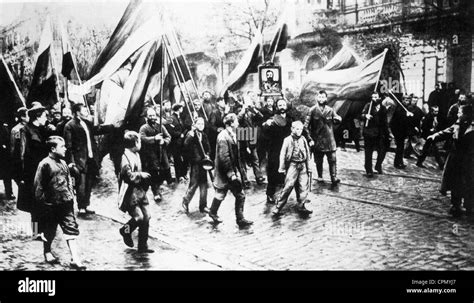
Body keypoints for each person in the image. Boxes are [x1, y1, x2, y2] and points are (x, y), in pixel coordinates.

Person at [33, 136, 86, 270]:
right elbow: (38, 187)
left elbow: (69, 181)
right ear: (53, 148)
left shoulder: (63, 163)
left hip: (65, 203)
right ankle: (47, 251)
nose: (65, 149)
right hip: (51, 205)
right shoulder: (44, 164)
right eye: (62, 146)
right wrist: (43, 205)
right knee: (50, 231)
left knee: (71, 229)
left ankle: (75, 259)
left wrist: (71, 195)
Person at [63, 103, 114, 215]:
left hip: (91, 158)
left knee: (89, 182)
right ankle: (81, 206)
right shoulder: (69, 126)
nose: (86, 112)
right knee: (81, 183)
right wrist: (71, 162)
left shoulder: (87, 123)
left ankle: (86, 204)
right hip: (79, 159)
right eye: (84, 111)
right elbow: (68, 146)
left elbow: (98, 129)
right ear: (77, 113)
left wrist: (112, 126)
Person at [209, 113, 253, 228]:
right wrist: (231, 174)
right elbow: (224, 157)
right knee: (220, 194)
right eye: (236, 121)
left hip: (231, 171)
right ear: (231, 123)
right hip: (225, 173)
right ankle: (213, 212)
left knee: (240, 195)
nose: (238, 123)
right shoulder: (223, 137)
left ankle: (240, 219)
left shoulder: (233, 134)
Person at [428, 105, 474, 217]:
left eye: (460, 112)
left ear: (466, 114)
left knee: (470, 183)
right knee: (455, 182)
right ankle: (455, 205)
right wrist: (434, 136)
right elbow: (446, 132)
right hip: (456, 159)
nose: (458, 114)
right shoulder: (457, 125)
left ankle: (470, 206)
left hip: (470, 160)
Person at [118, 131, 154, 253]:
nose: (140, 144)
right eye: (138, 141)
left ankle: (142, 246)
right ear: (134, 143)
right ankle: (125, 230)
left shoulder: (136, 154)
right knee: (138, 217)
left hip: (140, 191)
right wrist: (140, 175)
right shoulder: (125, 157)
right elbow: (127, 176)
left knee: (147, 217)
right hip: (130, 192)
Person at [17, 103, 50, 236]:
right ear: (37, 116)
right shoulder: (26, 130)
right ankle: (37, 232)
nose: (46, 118)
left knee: (44, 201)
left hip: (45, 171)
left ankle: (45, 228)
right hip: (32, 173)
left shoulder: (44, 130)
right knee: (34, 204)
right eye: (44, 116)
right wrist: (23, 176)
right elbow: (22, 154)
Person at [273, 121, 313, 216]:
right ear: (292, 129)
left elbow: (307, 154)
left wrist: (309, 167)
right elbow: (282, 154)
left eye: (301, 129)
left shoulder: (303, 139)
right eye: (297, 129)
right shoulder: (287, 140)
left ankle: (301, 205)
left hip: (302, 166)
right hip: (293, 166)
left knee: (303, 186)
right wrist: (281, 168)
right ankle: (278, 207)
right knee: (288, 186)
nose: (299, 131)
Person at [306, 90, 342, 187]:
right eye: (320, 97)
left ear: (326, 98)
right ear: (316, 98)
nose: (321, 99)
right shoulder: (312, 110)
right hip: (317, 140)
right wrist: (310, 139)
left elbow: (337, 118)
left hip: (329, 140)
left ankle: (333, 177)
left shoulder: (330, 110)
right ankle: (320, 175)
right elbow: (306, 127)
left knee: (333, 159)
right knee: (318, 160)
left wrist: (338, 119)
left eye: (323, 97)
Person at [262, 98, 293, 204]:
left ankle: (283, 195)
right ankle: (270, 194)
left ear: (286, 106)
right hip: (275, 151)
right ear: (277, 107)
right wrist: (266, 125)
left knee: (286, 173)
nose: (282, 107)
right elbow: (265, 133)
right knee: (273, 173)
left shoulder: (290, 119)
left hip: (287, 150)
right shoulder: (272, 119)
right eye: (280, 105)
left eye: (284, 105)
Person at [139, 107, 171, 202]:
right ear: (147, 117)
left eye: (153, 115)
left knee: (164, 169)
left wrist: (164, 142)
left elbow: (168, 136)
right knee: (154, 173)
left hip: (161, 152)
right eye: (150, 116)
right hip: (150, 154)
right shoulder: (144, 128)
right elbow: (142, 138)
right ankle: (156, 192)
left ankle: (159, 185)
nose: (152, 117)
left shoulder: (160, 126)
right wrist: (154, 138)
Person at [182, 117, 211, 213]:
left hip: (203, 162)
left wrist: (207, 154)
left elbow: (208, 147)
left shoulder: (204, 135)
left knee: (203, 184)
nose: (201, 126)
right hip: (195, 163)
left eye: (202, 124)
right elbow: (185, 145)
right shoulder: (191, 134)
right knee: (194, 184)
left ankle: (203, 205)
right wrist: (191, 134)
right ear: (194, 125)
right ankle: (185, 201)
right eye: (199, 124)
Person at [237, 94, 265, 186]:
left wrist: (254, 109)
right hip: (242, 137)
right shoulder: (238, 109)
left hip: (251, 137)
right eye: (246, 100)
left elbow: (261, 117)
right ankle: (245, 180)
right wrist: (243, 110)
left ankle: (258, 177)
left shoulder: (251, 111)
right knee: (242, 160)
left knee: (255, 158)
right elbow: (237, 120)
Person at [361, 92, 390, 177]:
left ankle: (378, 165)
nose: (374, 99)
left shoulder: (383, 108)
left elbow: (385, 122)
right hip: (369, 133)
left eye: (376, 97)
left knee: (382, 150)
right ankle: (368, 170)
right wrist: (365, 115)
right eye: (373, 97)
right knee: (368, 152)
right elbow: (361, 115)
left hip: (380, 133)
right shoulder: (368, 106)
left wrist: (387, 134)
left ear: (379, 98)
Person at [416, 105, 445, 169]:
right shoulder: (428, 117)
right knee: (430, 150)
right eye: (435, 111)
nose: (437, 113)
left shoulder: (436, 117)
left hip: (432, 136)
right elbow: (423, 127)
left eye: (437, 111)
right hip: (428, 136)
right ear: (431, 111)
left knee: (429, 150)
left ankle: (419, 162)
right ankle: (441, 164)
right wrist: (429, 129)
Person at [390, 94, 413, 169]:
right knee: (400, 147)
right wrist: (406, 115)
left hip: (402, 131)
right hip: (398, 131)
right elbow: (398, 120)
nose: (407, 101)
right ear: (402, 100)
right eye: (406, 100)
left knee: (401, 147)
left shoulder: (406, 108)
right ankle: (397, 163)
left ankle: (400, 162)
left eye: (408, 100)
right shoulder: (400, 108)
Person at [166, 103, 188, 182]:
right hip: (175, 143)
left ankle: (183, 174)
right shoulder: (170, 118)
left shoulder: (179, 117)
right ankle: (179, 176)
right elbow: (169, 131)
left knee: (183, 158)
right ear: (179, 109)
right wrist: (180, 134)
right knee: (177, 159)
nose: (182, 109)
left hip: (181, 142)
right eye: (181, 108)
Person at [10, 107, 29, 187]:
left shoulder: (29, 127)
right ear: (22, 117)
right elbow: (13, 145)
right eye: (28, 115)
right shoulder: (17, 130)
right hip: (20, 158)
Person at [0, 121, 14, 200]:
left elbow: (7, 139)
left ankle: (9, 192)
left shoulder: (4, 127)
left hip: (3, 155)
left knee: (6, 174)